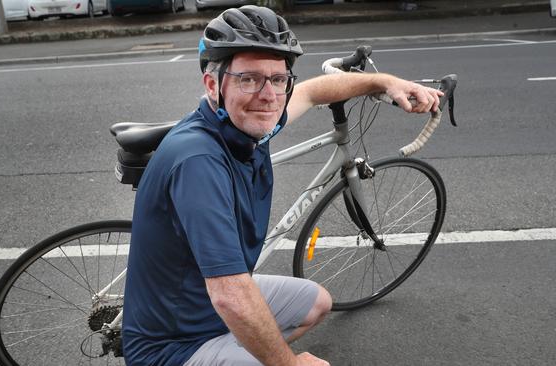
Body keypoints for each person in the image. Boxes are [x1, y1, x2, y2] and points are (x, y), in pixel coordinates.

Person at [122, 5, 442, 366]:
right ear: (213, 85)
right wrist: (288, 363)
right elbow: (230, 295)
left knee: (316, 303)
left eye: (277, 79)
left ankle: (241, 341)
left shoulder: (242, 124)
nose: (269, 95)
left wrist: (383, 82)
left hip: (204, 302)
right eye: (249, 79)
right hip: (172, 346)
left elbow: (312, 91)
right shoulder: (199, 160)